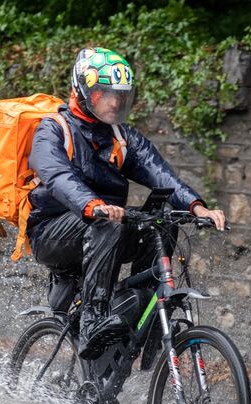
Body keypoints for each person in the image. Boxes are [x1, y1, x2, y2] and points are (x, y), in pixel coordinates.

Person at [27, 47, 226, 360]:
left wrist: (196, 207)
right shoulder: (53, 129)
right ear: (84, 91)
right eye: (106, 94)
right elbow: (57, 175)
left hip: (105, 228)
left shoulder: (122, 137)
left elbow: (162, 176)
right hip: (53, 232)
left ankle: (137, 314)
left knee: (163, 219)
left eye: (120, 95)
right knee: (105, 222)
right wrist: (92, 205)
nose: (115, 102)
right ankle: (93, 321)